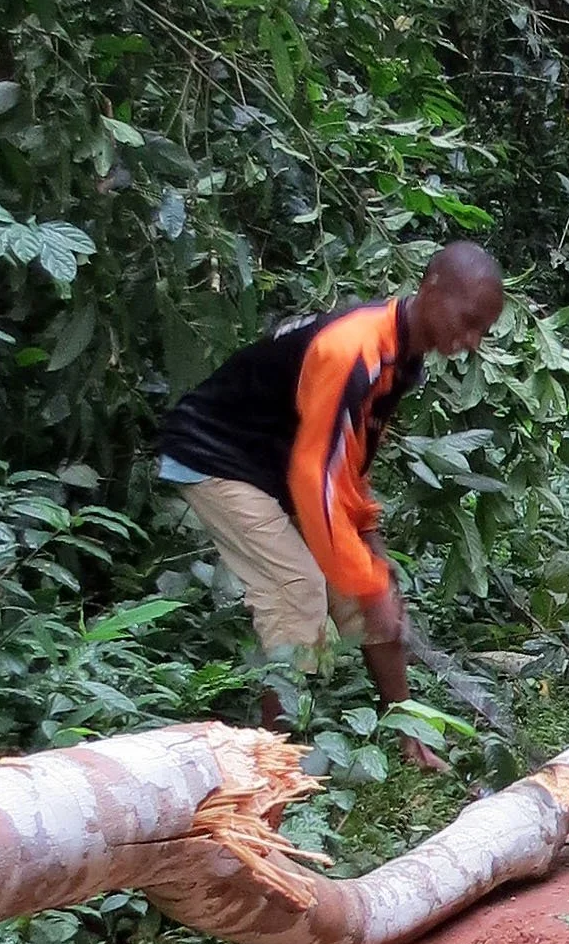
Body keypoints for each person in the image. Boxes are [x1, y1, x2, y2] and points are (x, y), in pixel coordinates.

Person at [158, 241, 506, 732]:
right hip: (218, 455)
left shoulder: (401, 360)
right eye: (467, 320)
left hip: (275, 464)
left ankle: (406, 735)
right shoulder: (354, 351)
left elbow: (347, 463)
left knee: (370, 586)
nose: (471, 339)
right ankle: (270, 765)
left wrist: (371, 557)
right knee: (298, 591)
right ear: (431, 289)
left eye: (482, 331)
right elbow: (312, 477)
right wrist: (365, 579)